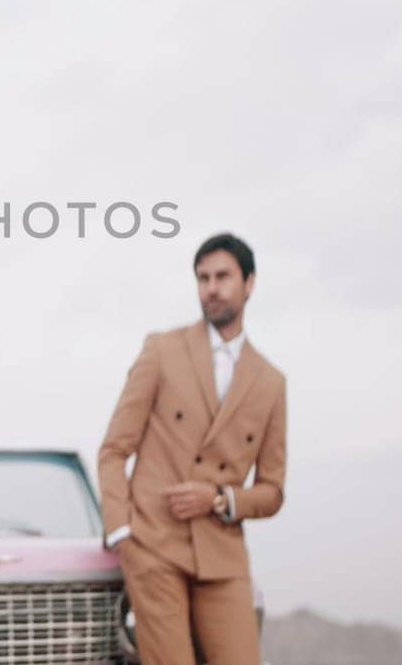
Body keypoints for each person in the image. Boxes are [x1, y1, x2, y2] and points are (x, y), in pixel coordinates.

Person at [98, 232, 287, 665]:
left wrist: (221, 499)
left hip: (222, 555)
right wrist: (122, 532)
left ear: (249, 283)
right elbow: (113, 449)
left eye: (222, 276)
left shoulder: (271, 382)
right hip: (153, 545)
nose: (212, 288)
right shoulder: (162, 351)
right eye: (203, 278)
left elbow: (273, 490)